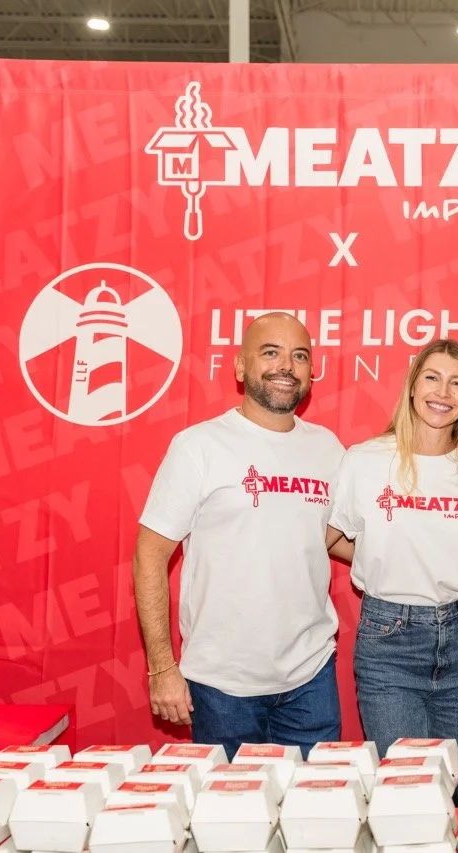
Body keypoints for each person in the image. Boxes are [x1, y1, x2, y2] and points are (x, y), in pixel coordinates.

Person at [134, 312, 344, 758]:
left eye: (299, 355)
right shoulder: (199, 446)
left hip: (311, 681)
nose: (286, 366)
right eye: (271, 352)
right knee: (228, 824)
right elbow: (150, 556)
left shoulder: (328, 449)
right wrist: (161, 667)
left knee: (316, 818)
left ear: (311, 371)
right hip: (221, 686)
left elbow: (324, 536)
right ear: (240, 366)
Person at [326, 339, 458, 800]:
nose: (443, 392)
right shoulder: (365, 460)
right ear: (411, 386)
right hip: (390, 642)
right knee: (407, 794)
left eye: (457, 383)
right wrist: (381, 555)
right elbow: (332, 539)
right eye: (432, 377)